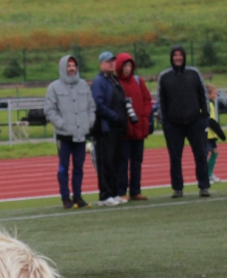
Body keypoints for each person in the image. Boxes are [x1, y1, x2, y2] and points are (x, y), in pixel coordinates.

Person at [156, 45, 210, 198]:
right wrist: (165, 121)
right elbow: (161, 100)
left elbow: (203, 94)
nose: (178, 58)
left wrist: (204, 116)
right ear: (171, 58)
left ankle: (204, 186)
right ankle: (177, 188)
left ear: (184, 57)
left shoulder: (194, 73)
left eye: (180, 55)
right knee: (175, 157)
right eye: (175, 55)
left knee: (200, 154)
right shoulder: (164, 76)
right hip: (173, 124)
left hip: (195, 122)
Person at [44, 55, 97, 209]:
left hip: (80, 135)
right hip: (64, 136)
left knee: (79, 167)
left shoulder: (83, 86)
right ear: (63, 68)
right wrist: (62, 125)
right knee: (63, 167)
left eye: (74, 65)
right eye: (69, 66)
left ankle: (78, 196)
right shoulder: (54, 87)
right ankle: (65, 198)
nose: (71, 68)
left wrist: (89, 123)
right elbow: (49, 110)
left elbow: (91, 107)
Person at [90, 51, 129, 206]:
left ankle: (114, 192)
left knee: (116, 161)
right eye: (108, 61)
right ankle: (105, 195)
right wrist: (115, 116)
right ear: (101, 64)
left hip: (117, 128)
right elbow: (98, 105)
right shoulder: (99, 82)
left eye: (113, 61)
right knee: (106, 162)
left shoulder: (114, 80)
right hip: (105, 128)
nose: (111, 63)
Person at [114, 52, 152, 202]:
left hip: (139, 128)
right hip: (123, 129)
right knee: (122, 161)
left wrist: (144, 116)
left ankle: (135, 190)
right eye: (124, 66)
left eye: (129, 66)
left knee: (137, 161)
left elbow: (147, 100)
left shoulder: (138, 81)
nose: (127, 69)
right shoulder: (115, 82)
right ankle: (121, 191)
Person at [206, 84, 222, 184]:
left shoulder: (211, 104)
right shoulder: (206, 104)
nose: (216, 95)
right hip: (206, 134)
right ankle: (206, 175)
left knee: (215, 152)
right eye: (214, 93)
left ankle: (209, 174)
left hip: (211, 135)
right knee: (205, 154)